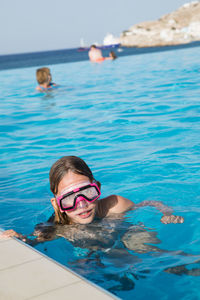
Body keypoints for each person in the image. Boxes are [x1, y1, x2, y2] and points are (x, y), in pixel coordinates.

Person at [1, 155, 184, 243]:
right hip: (93, 251)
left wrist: (166, 212)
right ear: (57, 204)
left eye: (87, 192)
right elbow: (32, 241)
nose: (81, 204)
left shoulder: (115, 204)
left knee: (142, 244)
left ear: (98, 188)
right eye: (69, 199)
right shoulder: (54, 227)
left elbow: (148, 203)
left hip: (124, 237)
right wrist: (18, 238)